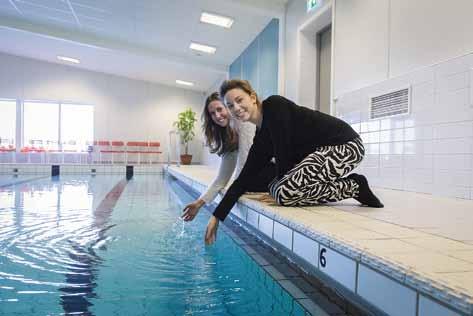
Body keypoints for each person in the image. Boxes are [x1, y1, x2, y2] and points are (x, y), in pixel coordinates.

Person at [204, 80, 383, 245]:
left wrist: (280, 189)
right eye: (230, 105)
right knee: (276, 189)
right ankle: (348, 186)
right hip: (321, 155)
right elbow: (243, 179)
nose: (236, 108)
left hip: (346, 146)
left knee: (283, 192)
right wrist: (217, 216)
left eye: (239, 100)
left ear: (252, 97)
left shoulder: (275, 105)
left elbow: (285, 154)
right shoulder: (261, 139)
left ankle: (354, 186)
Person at [181, 92, 275, 228]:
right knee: (243, 182)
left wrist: (218, 214)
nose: (217, 116)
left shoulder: (245, 122)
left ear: (228, 107)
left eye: (219, 109)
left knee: (245, 181)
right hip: (259, 176)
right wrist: (199, 203)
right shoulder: (228, 135)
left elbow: (246, 166)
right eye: (212, 113)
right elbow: (221, 179)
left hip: (276, 170)